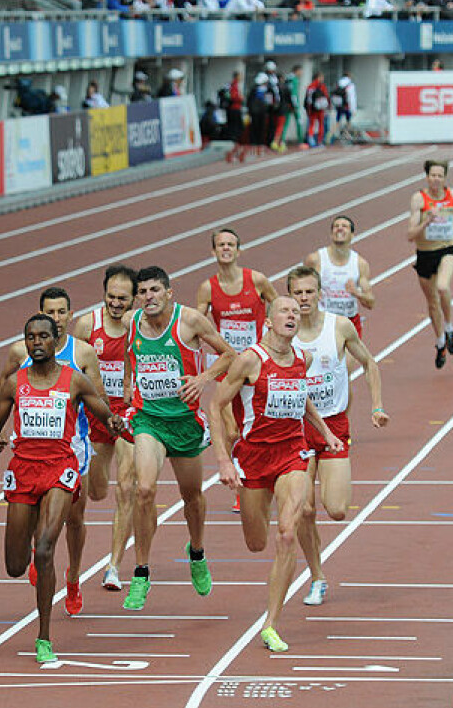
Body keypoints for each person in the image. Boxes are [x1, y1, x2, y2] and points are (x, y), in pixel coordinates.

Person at [0, 314, 121, 664]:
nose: (37, 343)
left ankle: (43, 636)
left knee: (46, 548)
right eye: (31, 337)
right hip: (23, 469)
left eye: (43, 336)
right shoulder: (14, 383)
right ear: (26, 342)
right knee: (16, 566)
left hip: (61, 467)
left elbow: (104, 413)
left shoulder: (73, 380)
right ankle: (34, 550)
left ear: (55, 339)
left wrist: (115, 422)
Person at [210, 296, 344, 652]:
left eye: (296, 312)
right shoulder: (249, 360)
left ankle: (270, 624)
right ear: (268, 321)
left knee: (286, 533)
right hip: (254, 457)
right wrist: (223, 460)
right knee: (256, 543)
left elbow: (303, 399)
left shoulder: (303, 358)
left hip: (292, 453)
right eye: (285, 310)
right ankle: (255, 506)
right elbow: (215, 405)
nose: (292, 315)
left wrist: (325, 432)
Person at [122, 266, 236, 610]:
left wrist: (202, 379)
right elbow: (129, 354)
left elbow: (229, 354)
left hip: (184, 422)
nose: (149, 297)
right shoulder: (131, 321)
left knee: (192, 498)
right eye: (143, 292)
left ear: (169, 293)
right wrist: (128, 384)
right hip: (149, 420)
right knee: (143, 490)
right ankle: (141, 572)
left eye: (155, 290)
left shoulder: (190, 322)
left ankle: (196, 551)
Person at [0, 287, 103, 617]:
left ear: (69, 315)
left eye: (60, 312)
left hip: (73, 448)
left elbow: (99, 399)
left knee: (75, 519)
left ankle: (73, 577)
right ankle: (39, 552)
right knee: (39, 530)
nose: (55, 318)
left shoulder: (83, 353)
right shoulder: (20, 351)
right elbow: (5, 388)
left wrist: (111, 424)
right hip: (29, 454)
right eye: (49, 312)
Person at [287, 266, 389, 606]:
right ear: (290, 296)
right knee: (303, 509)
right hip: (297, 430)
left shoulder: (339, 326)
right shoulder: (282, 334)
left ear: (320, 293)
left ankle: (317, 571)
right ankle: (317, 577)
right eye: (298, 293)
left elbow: (370, 363)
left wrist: (376, 406)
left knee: (336, 509)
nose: (304, 298)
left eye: (309, 291)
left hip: (333, 426)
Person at [197, 228, 277, 511]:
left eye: (231, 244)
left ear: (239, 250)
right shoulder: (208, 288)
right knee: (232, 430)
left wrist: (270, 328)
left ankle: (260, 478)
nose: (226, 248)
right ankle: (241, 483)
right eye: (221, 245)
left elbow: (277, 303)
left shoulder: (256, 280)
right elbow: (197, 322)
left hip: (256, 363)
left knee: (258, 424)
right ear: (213, 251)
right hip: (228, 365)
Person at [73, 266, 139, 591]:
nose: (115, 303)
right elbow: (71, 371)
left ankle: (113, 566)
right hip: (96, 417)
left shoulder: (142, 327)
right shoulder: (87, 325)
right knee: (97, 492)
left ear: (134, 298)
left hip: (130, 415)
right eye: (111, 296)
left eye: (122, 298)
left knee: (127, 487)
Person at [408, 160, 453, 369]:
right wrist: (426, 222)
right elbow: (410, 235)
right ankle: (440, 343)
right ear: (427, 177)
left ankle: (449, 329)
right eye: (433, 175)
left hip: (447, 250)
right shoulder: (418, 199)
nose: (436, 179)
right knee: (432, 303)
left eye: (440, 176)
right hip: (424, 254)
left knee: (442, 287)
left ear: (445, 178)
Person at [305, 215, 374, 342]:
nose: (339, 228)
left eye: (344, 226)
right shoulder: (315, 259)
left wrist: (356, 293)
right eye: (336, 226)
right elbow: (299, 288)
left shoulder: (360, 263)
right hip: (323, 321)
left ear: (352, 235)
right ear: (331, 234)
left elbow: (370, 303)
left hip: (349, 321)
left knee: (352, 356)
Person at [327, 73, 357, 145]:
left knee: (337, 122)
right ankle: (347, 137)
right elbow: (351, 98)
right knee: (348, 122)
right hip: (346, 106)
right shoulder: (350, 84)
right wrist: (353, 109)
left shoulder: (338, 83)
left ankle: (329, 135)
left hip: (339, 105)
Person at [304, 72, 329, 148]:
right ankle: (318, 141)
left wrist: (308, 109)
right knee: (319, 125)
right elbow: (326, 97)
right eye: (321, 77)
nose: (322, 79)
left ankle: (312, 141)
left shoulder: (311, 86)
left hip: (314, 109)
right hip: (318, 109)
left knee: (313, 125)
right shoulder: (320, 86)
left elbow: (308, 99)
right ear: (318, 77)